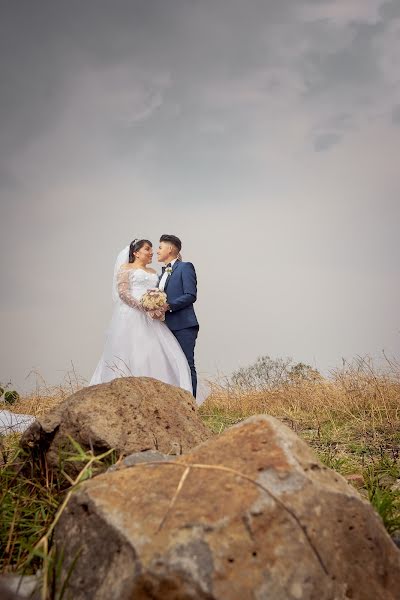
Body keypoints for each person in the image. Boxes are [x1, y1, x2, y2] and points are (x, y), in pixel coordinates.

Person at [89, 239, 192, 393]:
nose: (151, 252)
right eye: (147, 249)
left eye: (152, 249)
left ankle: (163, 391)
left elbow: (162, 288)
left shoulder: (154, 272)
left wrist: (155, 304)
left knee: (159, 352)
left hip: (152, 317)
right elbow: (123, 293)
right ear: (136, 253)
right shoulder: (126, 268)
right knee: (132, 350)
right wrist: (143, 306)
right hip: (131, 315)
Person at [157, 235, 199, 397]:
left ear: (170, 249)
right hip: (163, 327)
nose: (157, 251)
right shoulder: (162, 274)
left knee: (187, 365)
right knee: (169, 367)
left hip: (183, 325)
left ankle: (191, 404)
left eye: (160, 247)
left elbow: (190, 294)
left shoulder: (185, 267)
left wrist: (169, 305)